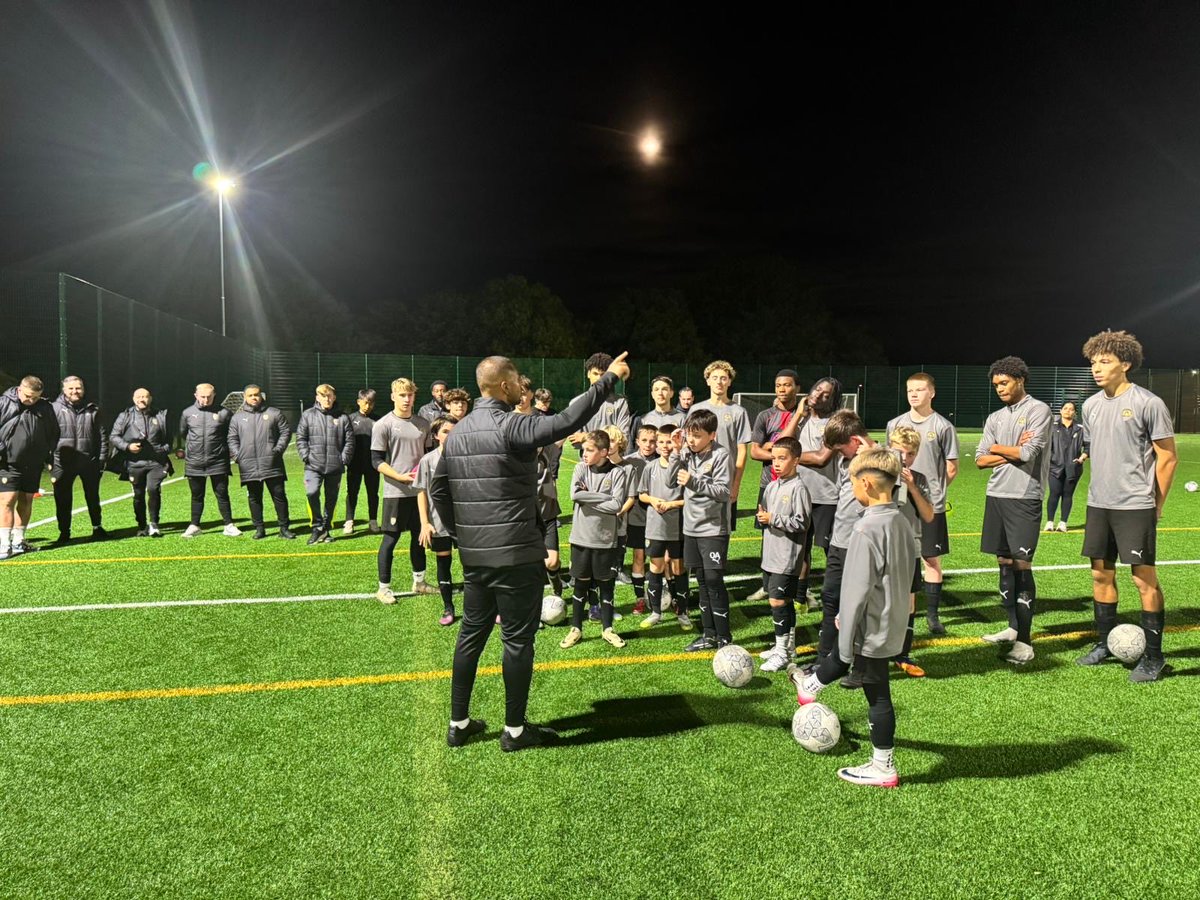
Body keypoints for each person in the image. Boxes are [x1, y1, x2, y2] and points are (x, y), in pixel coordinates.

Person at [428, 351, 631, 752]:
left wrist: (464, 536)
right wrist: (607, 379)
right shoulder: (512, 425)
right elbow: (568, 420)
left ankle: (458, 724)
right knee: (517, 641)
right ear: (504, 385)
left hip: (475, 556)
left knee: (470, 635)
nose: (522, 386)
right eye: (517, 379)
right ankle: (515, 731)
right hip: (516, 555)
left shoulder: (459, 431)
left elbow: (438, 490)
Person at [790, 448, 915, 788]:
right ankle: (810, 687)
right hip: (892, 621)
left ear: (866, 484)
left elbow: (856, 590)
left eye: (851, 483)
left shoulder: (865, 529)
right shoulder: (902, 521)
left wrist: (846, 632)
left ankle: (883, 767)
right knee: (877, 686)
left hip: (870, 625)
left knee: (877, 692)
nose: (851, 489)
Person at [1075, 330, 1177, 682]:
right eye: (1093, 362)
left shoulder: (1149, 403)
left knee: (1143, 579)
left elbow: (1167, 457)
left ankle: (1154, 656)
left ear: (1126, 364)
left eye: (1105, 361)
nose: (1096, 368)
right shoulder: (1090, 406)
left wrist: (1156, 504)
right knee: (1100, 574)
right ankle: (1104, 643)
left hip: (1135, 505)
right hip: (1099, 503)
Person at [975, 356, 1052, 665]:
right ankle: (1012, 627)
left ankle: (1025, 641)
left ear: (1020, 380)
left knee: (1021, 565)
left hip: (1024, 497)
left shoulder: (1038, 410)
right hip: (996, 495)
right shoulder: (995, 417)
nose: (999, 389)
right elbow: (980, 460)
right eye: (996, 385)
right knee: (1004, 562)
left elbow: (1028, 453)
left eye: (1004, 383)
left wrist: (998, 448)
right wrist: (1008, 451)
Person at [885, 372, 959, 634]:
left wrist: (933, 493)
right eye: (910, 390)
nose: (914, 394)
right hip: (897, 504)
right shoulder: (894, 424)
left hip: (929, 505)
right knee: (897, 559)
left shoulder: (943, 426)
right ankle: (902, 613)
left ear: (932, 393)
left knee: (930, 558)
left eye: (919, 389)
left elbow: (951, 467)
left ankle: (932, 616)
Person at [813, 410, 877, 670]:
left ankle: (860, 666)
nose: (839, 454)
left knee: (859, 606)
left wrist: (871, 455)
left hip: (861, 545)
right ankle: (824, 660)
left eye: (841, 448)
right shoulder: (844, 462)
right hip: (839, 542)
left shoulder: (884, 458)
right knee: (830, 598)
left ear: (855, 440)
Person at [669, 407, 733, 652]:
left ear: (712, 435)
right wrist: (676, 452)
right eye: (689, 434)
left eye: (697, 436)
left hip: (713, 529)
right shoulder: (686, 453)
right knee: (702, 581)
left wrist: (694, 481)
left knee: (714, 580)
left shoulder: (721, 455)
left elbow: (724, 492)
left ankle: (724, 637)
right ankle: (709, 634)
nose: (692, 440)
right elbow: (670, 481)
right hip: (691, 528)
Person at [560, 429, 629, 650]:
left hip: (605, 540)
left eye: (589, 450)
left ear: (604, 452)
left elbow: (616, 505)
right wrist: (604, 498)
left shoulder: (617, 473)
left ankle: (608, 629)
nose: (584, 454)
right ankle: (576, 629)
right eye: (584, 450)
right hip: (580, 538)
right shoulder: (581, 468)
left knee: (606, 585)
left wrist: (588, 500)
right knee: (580, 585)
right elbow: (574, 495)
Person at [372, 378, 433, 601]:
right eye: (402, 395)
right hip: (395, 492)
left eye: (410, 395)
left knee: (419, 538)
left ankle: (420, 582)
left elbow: (428, 457)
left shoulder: (423, 424)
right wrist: (399, 476)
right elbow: (376, 461)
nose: (407, 399)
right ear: (393, 397)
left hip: (419, 493)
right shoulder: (383, 424)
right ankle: (383, 588)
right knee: (390, 540)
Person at [755, 436, 811, 672]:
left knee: (777, 602)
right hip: (771, 554)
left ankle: (781, 654)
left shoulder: (799, 488)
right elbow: (768, 516)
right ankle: (787, 647)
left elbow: (802, 523)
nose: (776, 463)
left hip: (786, 557)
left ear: (796, 460)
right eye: (774, 458)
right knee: (783, 602)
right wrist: (764, 517)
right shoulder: (771, 486)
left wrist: (772, 518)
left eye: (782, 458)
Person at [747, 369, 802, 602]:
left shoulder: (805, 416)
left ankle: (799, 588)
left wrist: (772, 448)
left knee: (797, 535)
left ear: (797, 388)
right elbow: (754, 452)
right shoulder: (765, 416)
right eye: (778, 385)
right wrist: (779, 455)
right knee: (768, 534)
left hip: (797, 485)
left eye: (787, 385)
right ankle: (766, 584)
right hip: (769, 484)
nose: (781, 389)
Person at [887, 426, 935, 678]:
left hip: (909, 547)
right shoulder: (880, 475)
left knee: (908, 601)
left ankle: (902, 654)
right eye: (899, 452)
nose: (904, 458)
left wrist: (913, 487)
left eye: (910, 453)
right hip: (882, 546)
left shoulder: (919, 479)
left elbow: (928, 516)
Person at [792, 377, 844, 608]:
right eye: (817, 389)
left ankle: (838, 598)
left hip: (827, 496)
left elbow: (822, 458)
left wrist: (789, 456)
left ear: (833, 400)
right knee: (800, 549)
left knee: (831, 551)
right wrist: (797, 415)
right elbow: (783, 442)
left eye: (826, 394)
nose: (818, 395)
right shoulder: (800, 418)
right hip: (800, 494)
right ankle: (800, 598)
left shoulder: (835, 423)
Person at [0, 376, 59, 559]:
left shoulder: (45, 407)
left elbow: (54, 432)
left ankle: (19, 542)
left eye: (35, 397)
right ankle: (4, 545)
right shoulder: (3, 403)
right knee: (7, 500)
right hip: (8, 463)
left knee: (26, 500)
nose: (31, 400)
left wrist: (48, 453)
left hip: (33, 464)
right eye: (28, 396)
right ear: (19, 389)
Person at [689, 360, 752, 530]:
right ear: (707, 381)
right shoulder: (696, 410)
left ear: (729, 382)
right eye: (715, 377)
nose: (719, 382)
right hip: (699, 477)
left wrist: (736, 485)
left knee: (723, 529)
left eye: (723, 378)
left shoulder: (738, 412)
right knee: (694, 526)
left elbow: (742, 451)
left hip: (724, 479)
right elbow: (688, 444)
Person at [639, 424, 689, 630]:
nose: (665, 446)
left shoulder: (683, 466)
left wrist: (671, 504)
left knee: (678, 568)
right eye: (661, 442)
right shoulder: (650, 467)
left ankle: (683, 613)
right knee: (656, 567)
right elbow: (642, 494)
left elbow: (690, 499)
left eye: (669, 441)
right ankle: (655, 613)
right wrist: (652, 500)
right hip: (655, 527)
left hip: (677, 527)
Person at [228, 384, 294, 540]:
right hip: (248, 465)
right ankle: (259, 528)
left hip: (272, 463)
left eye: (256, 395)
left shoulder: (274, 413)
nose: (254, 398)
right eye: (250, 395)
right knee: (254, 498)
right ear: (245, 397)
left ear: (261, 396)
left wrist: (277, 450)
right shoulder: (237, 418)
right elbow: (232, 438)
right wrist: (238, 456)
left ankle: (284, 528)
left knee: (279, 496)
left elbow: (286, 432)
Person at [50, 375, 108, 544]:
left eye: (78, 388)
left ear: (83, 389)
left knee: (93, 496)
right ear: (64, 389)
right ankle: (64, 533)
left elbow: (102, 436)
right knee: (62, 499)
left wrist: (102, 459)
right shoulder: (53, 409)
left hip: (88, 461)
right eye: (71, 388)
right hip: (62, 462)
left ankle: (97, 528)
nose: (75, 391)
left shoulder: (93, 409)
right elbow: (46, 436)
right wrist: (50, 460)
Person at [179, 383, 240, 538]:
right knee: (196, 496)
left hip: (218, 462)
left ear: (214, 395)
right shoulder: (187, 413)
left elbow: (230, 435)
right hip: (194, 462)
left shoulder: (225, 413)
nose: (206, 400)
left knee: (222, 494)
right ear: (196, 395)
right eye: (202, 397)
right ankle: (194, 526)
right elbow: (183, 433)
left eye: (209, 397)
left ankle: (228, 525)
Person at [296, 384, 354, 545]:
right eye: (323, 396)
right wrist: (306, 456)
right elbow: (301, 438)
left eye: (329, 396)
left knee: (331, 499)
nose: (326, 399)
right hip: (313, 466)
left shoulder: (343, 417)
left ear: (334, 397)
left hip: (335, 466)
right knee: (312, 492)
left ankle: (326, 529)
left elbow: (350, 441)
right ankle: (317, 526)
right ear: (317, 397)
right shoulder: (308, 415)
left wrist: (343, 459)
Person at [416, 415, 460, 625]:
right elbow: (421, 492)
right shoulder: (428, 460)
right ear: (435, 435)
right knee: (444, 563)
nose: (450, 436)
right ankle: (448, 607)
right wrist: (425, 523)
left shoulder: (465, 457)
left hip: (464, 523)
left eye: (454, 431)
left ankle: (482, 609)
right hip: (439, 523)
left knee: (473, 565)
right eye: (445, 432)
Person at [111, 387, 171, 537]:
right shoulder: (125, 416)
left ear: (150, 398)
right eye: (138, 397)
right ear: (133, 399)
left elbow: (169, 440)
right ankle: (142, 525)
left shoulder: (160, 415)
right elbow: (114, 437)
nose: (141, 399)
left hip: (156, 462)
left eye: (144, 397)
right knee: (138, 495)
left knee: (153, 490)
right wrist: (128, 447)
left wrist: (162, 450)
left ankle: (154, 524)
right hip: (134, 463)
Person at [567, 352, 633, 449]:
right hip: (586, 457)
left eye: (603, 374)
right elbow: (575, 440)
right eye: (595, 373)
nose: (599, 378)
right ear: (588, 374)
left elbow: (623, 437)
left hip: (611, 457)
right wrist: (608, 438)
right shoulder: (576, 402)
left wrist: (586, 436)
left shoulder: (620, 403)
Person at [1045, 401, 1087, 533]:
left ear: (1075, 413)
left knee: (1067, 495)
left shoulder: (1080, 428)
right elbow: (1045, 445)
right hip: (1054, 467)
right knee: (1054, 493)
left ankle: (1063, 523)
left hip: (1073, 467)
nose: (1068, 411)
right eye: (1065, 408)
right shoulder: (1052, 427)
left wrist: (1082, 458)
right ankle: (1050, 522)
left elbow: (1088, 445)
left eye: (1071, 409)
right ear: (1061, 411)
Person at [344, 389, 381, 535]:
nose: (368, 406)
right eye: (365, 403)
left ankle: (373, 521)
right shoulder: (350, 419)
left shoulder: (378, 420)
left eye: (371, 403)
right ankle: (349, 521)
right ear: (358, 402)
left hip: (373, 464)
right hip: (354, 464)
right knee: (352, 492)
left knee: (373, 493)